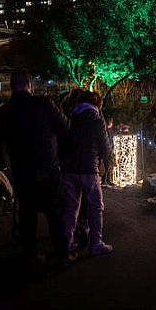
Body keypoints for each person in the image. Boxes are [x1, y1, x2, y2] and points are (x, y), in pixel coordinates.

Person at [0, 69, 70, 273]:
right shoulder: (44, 104)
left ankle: (31, 256)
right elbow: (65, 127)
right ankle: (62, 254)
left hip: (22, 170)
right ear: (29, 84)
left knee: (28, 216)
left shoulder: (4, 111)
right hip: (48, 167)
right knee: (54, 213)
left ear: (11, 86)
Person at [62, 90, 113, 258]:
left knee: (71, 207)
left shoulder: (72, 118)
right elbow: (105, 147)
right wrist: (108, 162)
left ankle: (67, 243)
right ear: (97, 105)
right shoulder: (97, 120)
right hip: (89, 169)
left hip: (69, 169)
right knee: (96, 206)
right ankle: (96, 243)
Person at [101, 116, 115, 185]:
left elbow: (111, 140)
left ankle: (108, 180)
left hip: (110, 150)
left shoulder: (110, 131)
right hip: (106, 151)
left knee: (110, 166)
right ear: (109, 123)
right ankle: (104, 180)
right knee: (106, 166)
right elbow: (107, 141)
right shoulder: (105, 130)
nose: (112, 124)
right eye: (111, 122)